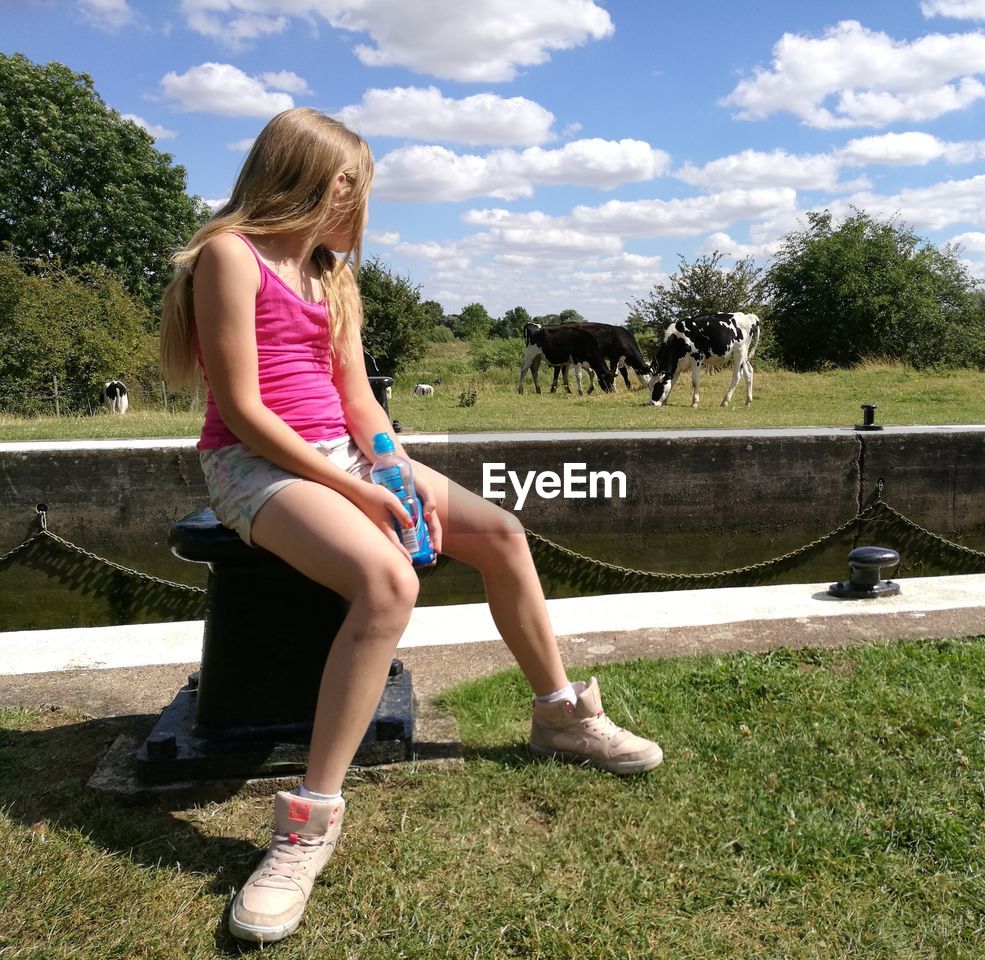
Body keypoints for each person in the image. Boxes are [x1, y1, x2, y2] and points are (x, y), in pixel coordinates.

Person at [158, 107, 663, 945]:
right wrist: (354, 490)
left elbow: (358, 401)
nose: (355, 209)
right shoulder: (229, 255)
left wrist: (389, 469)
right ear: (309, 179)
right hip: (254, 466)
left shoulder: (332, 273)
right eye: (348, 188)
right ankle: (307, 825)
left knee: (501, 532)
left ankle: (560, 716)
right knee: (388, 582)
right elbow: (243, 412)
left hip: (336, 454)